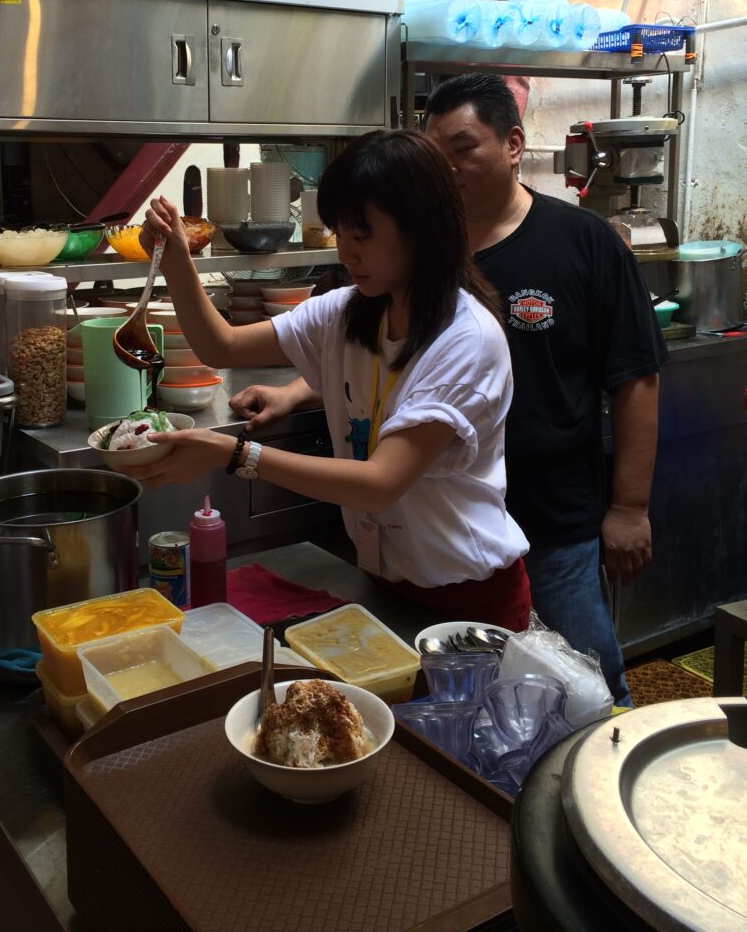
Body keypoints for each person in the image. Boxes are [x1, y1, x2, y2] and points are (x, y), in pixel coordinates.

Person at [131, 130, 532, 630]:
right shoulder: (345, 313)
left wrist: (232, 454)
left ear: (420, 228)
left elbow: (381, 483)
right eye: (340, 231)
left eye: (362, 235)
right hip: (384, 584)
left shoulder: (466, 340)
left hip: (470, 601)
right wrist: (175, 260)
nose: (346, 252)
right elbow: (221, 346)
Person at [423, 73, 666, 704]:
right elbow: (377, 352)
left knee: (588, 692)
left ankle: (602, 790)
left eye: (462, 148)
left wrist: (630, 508)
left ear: (512, 144)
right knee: (476, 700)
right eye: (434, 155)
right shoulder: (426, 253)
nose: (447, 168)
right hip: (450, 528)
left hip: (553, 527)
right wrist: (297, 391)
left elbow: (636, 379)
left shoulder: (581, 242)